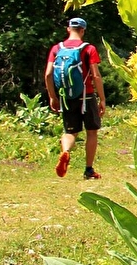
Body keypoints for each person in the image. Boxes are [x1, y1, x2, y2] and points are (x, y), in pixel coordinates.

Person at [45, 17, 105, 179]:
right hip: (87, 96)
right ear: (83, 31)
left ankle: (65, 151)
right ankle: (89, 170)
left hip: (67, 96)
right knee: (91, 132)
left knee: (70, 132)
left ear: (68, 29)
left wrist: (53, 96)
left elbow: (48, 74)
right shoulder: (88, 49)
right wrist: (102, 99)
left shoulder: (57, 49)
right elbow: (96, 76)